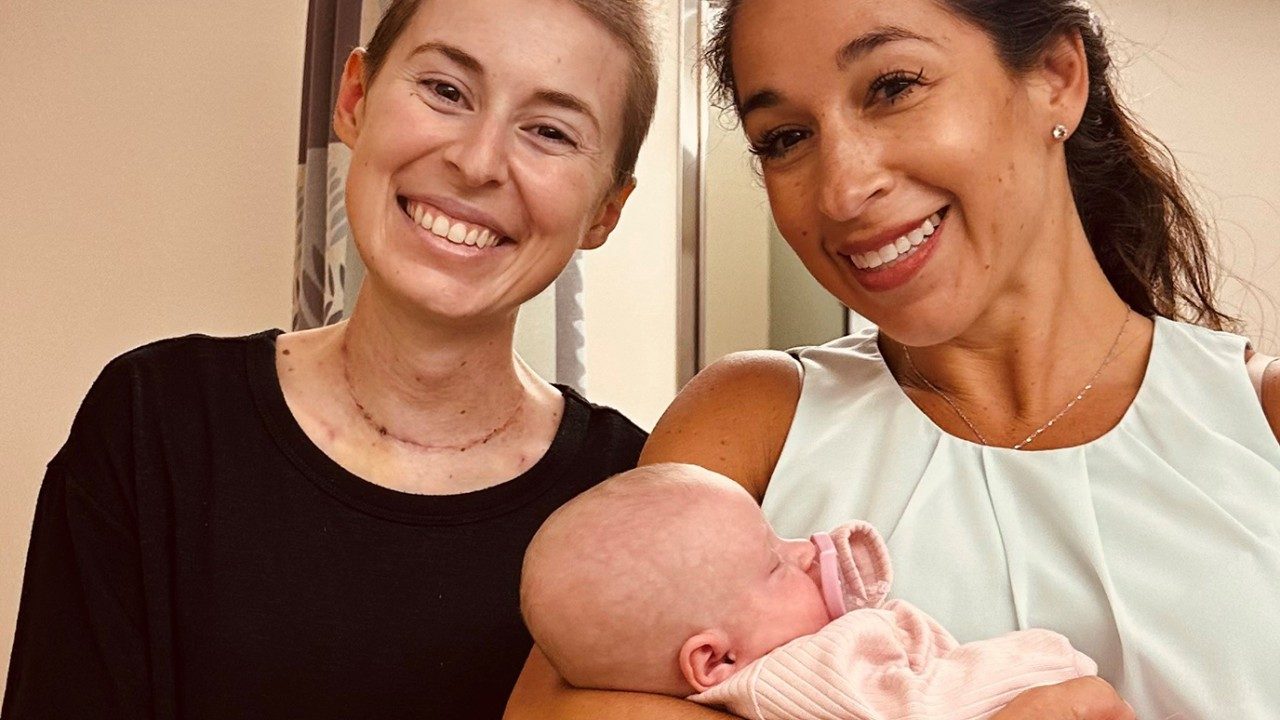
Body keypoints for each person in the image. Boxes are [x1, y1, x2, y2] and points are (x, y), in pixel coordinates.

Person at [504, 0, 1280, 718]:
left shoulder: (1262, 421)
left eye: (893, 87)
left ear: (1056, 77)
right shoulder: (754, 417)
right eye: (785, 138)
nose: (841, 190)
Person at [3, 0, 658, 717]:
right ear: (355, 99)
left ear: (605, 211)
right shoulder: (154, 423)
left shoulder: (637, 497)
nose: (476, 161)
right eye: (445, 91)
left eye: (550, 131)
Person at [521, 463, 1096, 720]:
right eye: (776, 566)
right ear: (715, 658)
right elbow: (925, 707)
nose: (803, 551)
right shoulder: (798, 676)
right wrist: (1048, 660)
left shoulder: (757, 677)